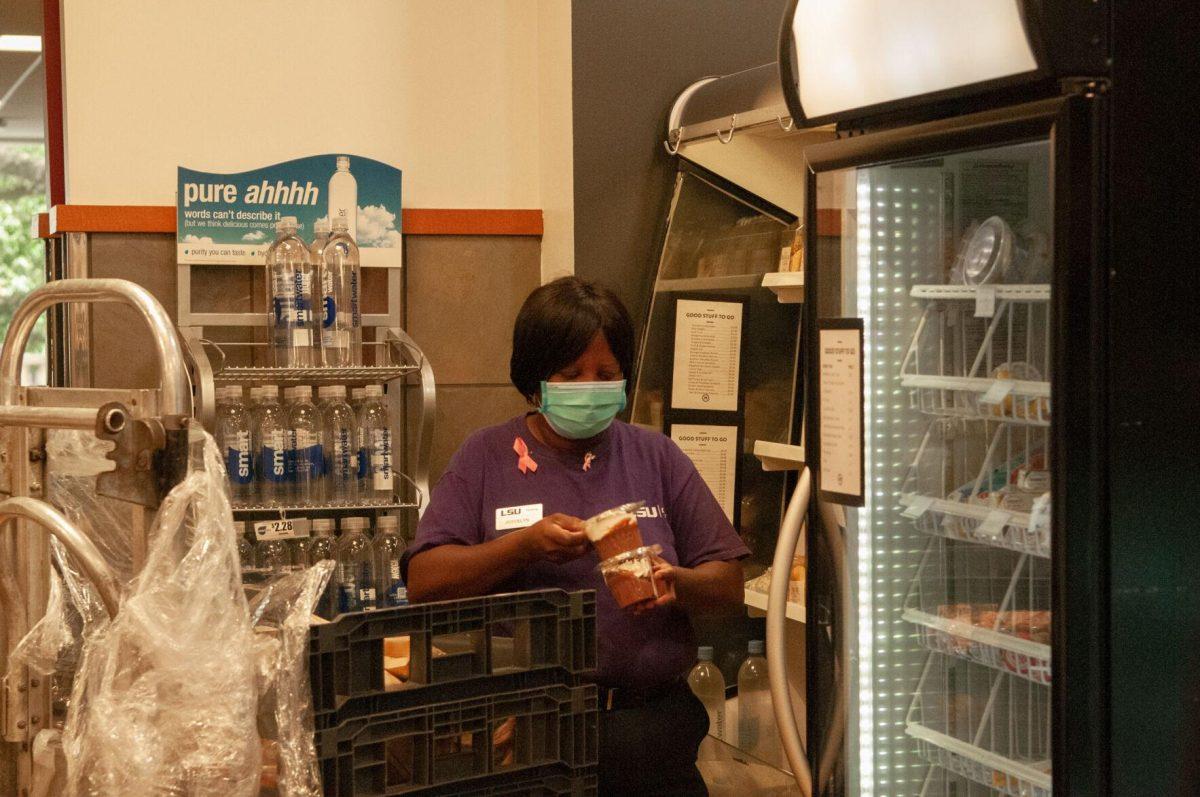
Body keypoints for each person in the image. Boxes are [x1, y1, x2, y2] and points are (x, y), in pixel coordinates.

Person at [405, 276, 748, 795]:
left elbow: (728, 583)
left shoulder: (656, 457)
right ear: (534, 380)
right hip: (533, 735)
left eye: (606, 374)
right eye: (572, 374)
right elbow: (425, 581)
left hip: (651, 733)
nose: (591, 385)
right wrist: (522, 546)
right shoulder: (486, 456)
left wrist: (676, 582)